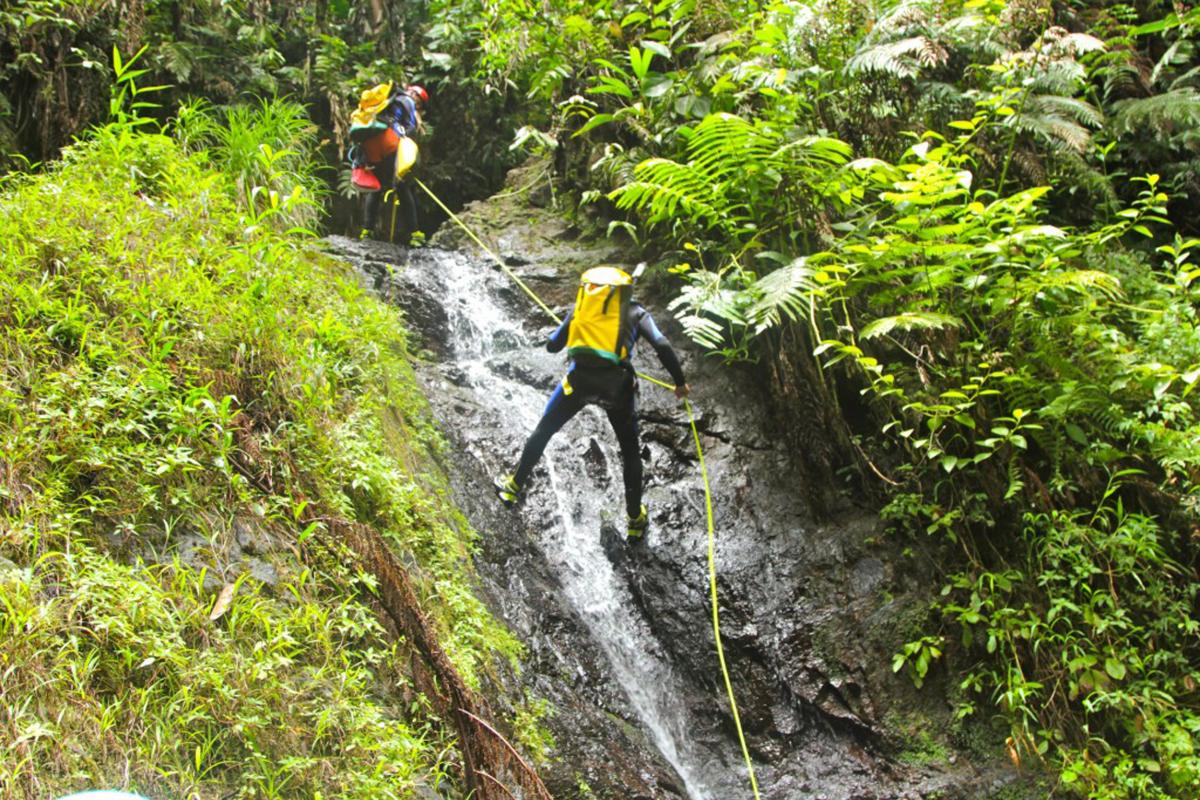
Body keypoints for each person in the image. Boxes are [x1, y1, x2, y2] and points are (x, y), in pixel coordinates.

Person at [494, 266, 690, 538]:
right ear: (625, 290)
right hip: (617, 389)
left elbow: (552, 346)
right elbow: (662, 344)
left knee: (545, 429)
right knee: (630, 451)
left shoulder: (581, 309)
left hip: (579, 383)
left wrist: (567, 327)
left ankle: (512, 487)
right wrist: (679, 383)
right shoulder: (636, 312)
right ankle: (634, 519)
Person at [349, 82, 428, 244]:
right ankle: (415, 234)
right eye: (419, 102)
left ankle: (367, 230)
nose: (417, 105)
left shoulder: (382, 105)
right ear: (414, 96)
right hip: (389, 143)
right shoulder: (407, 101)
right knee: (403, 187)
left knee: (375, 187)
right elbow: (411, 129)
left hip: (370, 147)